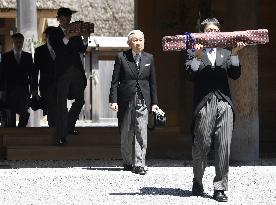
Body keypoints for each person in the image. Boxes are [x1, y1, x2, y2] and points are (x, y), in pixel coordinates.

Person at [184, 18, 245, 202]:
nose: (213, 33)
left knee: (223, 145)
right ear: (203, 33)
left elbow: (235, 75)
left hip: (224, 102)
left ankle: (220, 188)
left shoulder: (226, 52)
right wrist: (196, 56)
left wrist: (235, 54)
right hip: (203, 103)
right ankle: (197, 180)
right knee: (201, 144)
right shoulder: (193, 50)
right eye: (209, 30)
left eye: (216, 30)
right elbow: (189, 75)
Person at [109, 30, 159, 175]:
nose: (138, 43)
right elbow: (114, 81)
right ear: (129, 43)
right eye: (135, 40)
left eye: (141, 40)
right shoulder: (121, 57)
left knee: (141, 130)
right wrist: (113, 100)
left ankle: (139, 163)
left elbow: (153, 82)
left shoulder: (149, 58)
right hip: (126, 99)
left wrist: (154, 102)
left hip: (143, 98)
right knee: (126, 131)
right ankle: (127, 161)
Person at [49, 7, 88, 145]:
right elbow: (58, 49)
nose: (65, 22)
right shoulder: (53, 32)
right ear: (58, 19)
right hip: (62, 73)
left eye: (68, 19)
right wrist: (67, 36)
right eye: (63, 19)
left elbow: (82, 49)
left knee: (80, 101)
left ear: (70, 19)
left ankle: (69, 126)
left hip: (76, 71)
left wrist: (85, 36)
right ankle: (61, 136)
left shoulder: (75, 33)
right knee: (62, 105)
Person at [0, 33, 34, 127]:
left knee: (24, 112)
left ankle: (21, 130)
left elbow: (32, 75)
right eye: (16, 42)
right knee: (11, 112)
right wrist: (2, 91)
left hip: (23, 88)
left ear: (23, 43)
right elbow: (2, 75)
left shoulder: (28, 57)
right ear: (13, 43)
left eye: (20, 42)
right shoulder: (6, 56)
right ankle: (12, 132)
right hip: (10, 89)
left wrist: (33, 89)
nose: (18, 44)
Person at [32, 26, 57, 127]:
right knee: (51, 109)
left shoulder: (61, 50)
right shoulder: (39, 51)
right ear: (46, 37)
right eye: (50, 36)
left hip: (60, 84)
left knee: (60, 109)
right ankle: (53, 131)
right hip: (46, 85)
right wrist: (34, 90)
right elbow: (35, 71)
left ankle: (58, 131)